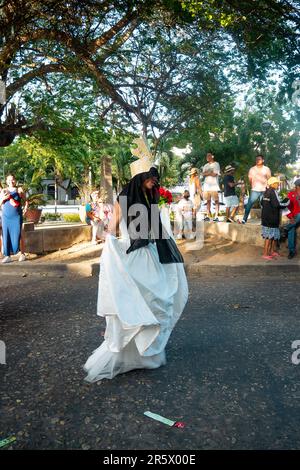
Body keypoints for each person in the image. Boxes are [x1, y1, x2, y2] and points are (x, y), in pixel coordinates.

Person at [83, 166, 188, 382]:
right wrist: (110, 243)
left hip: (150, 252)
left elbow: (155, 228)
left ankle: (148, 355)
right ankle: (132, 355)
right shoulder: (124, 199)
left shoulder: (150, 198)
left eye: (156, 181)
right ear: (141, 178)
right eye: (152, 180)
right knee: (139, 302)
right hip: (135, 253)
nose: (155, 183)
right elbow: (112, 228)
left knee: (158, 300)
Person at [0, 174, 28, 263]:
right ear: (6, 181)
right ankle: (8, 256)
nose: (11, 181)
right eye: (9, 180)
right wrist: (3, 198)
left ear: (15, 181)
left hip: (16, 216)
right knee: (6, 235)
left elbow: (26, 200)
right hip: (5, 216)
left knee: (18, 235)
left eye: (12, 180)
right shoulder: (4, 190)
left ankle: (22, 254)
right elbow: (0, 203)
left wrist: (26, 208)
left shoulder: (19, 190)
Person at [261, 177, 286, 260]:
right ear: (273, 184)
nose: (278, 185)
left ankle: (271, 251)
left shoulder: (266, 192)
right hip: (271, 218)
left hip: (266, 217)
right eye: (277, 183)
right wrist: (286, 204)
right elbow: (276, 205)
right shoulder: (273, 191)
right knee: (268, 237)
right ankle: (265, 253)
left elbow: (262, 203)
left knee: (272, 237)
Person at [242, 155, 271, 224]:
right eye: (256, 159)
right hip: (255, 190)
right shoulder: (252, 169)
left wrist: (268, 188)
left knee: (264, 206)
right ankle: (244, 219)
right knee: (249, 204)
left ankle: (265, 221)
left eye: (259, 159)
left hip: (264, 190)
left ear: (263, 160)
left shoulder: (266, 169)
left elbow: (269, 179)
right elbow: (250, 179)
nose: (257, 160)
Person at [202, 153, 221, 222]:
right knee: (208, 201)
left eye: (209, 155)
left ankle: (216, 216)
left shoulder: (216, 164)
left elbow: (215, 174)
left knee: (216, 201)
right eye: (207, 156)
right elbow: (203, 174)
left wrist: (207, 173)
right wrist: (210, 172)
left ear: (212, 156)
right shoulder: (205, 165)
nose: (207, 157)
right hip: (206, 186)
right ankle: (208, 216)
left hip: (214, 186)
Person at [285, 178, 300, 259]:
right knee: (292, 229)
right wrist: (290, 217)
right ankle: (291, 251)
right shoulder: (291, 194)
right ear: (297, 186)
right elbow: (286, 207)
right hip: (295, 217)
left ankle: (286, 228)